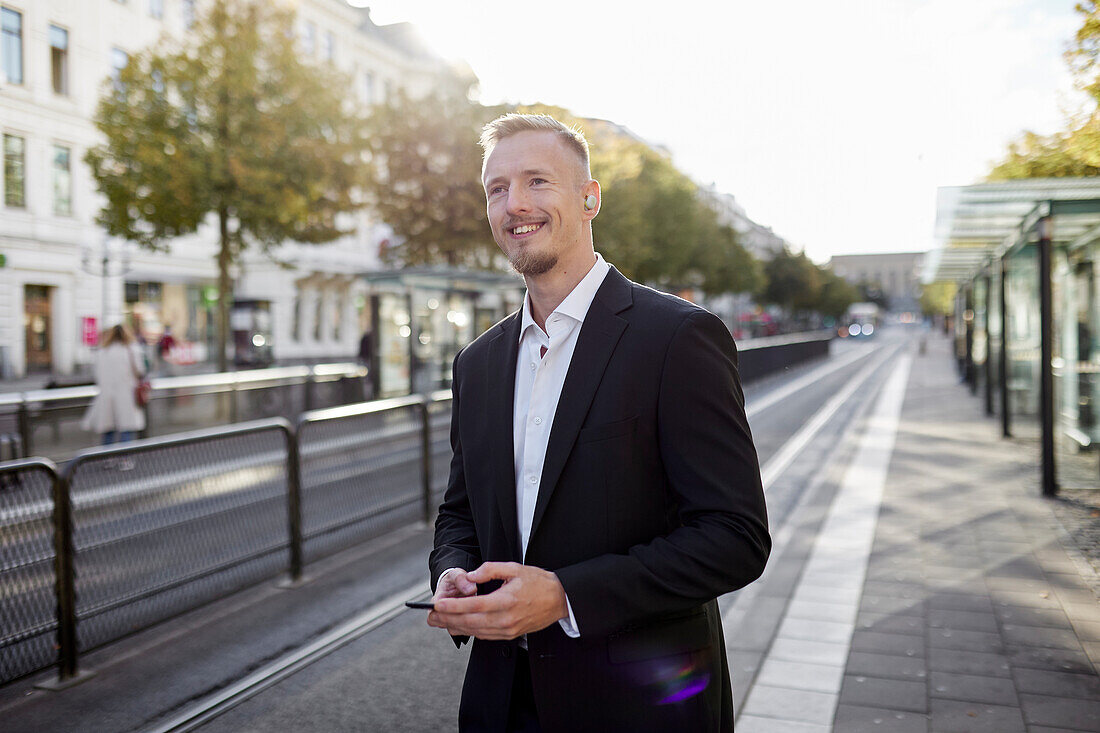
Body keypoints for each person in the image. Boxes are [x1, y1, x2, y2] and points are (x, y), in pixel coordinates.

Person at [428, 114, 770, 732]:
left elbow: (734, 537)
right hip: (503, 701)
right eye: (497, 188)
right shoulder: (476, 364)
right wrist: (453, 572)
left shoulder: (678, 339)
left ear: (590, 198)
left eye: (538, 181)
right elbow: (460, 513)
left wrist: (564, 595)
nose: (515, 204)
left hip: (640, 704)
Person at [82, 323, 146, 445]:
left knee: (108, 429)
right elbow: (140, 370)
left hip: (107, 395)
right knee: (126, 428)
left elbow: (96, 374)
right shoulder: (131, 349)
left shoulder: (102, 351)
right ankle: (125, 459)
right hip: (127, 394)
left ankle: (107, 459)